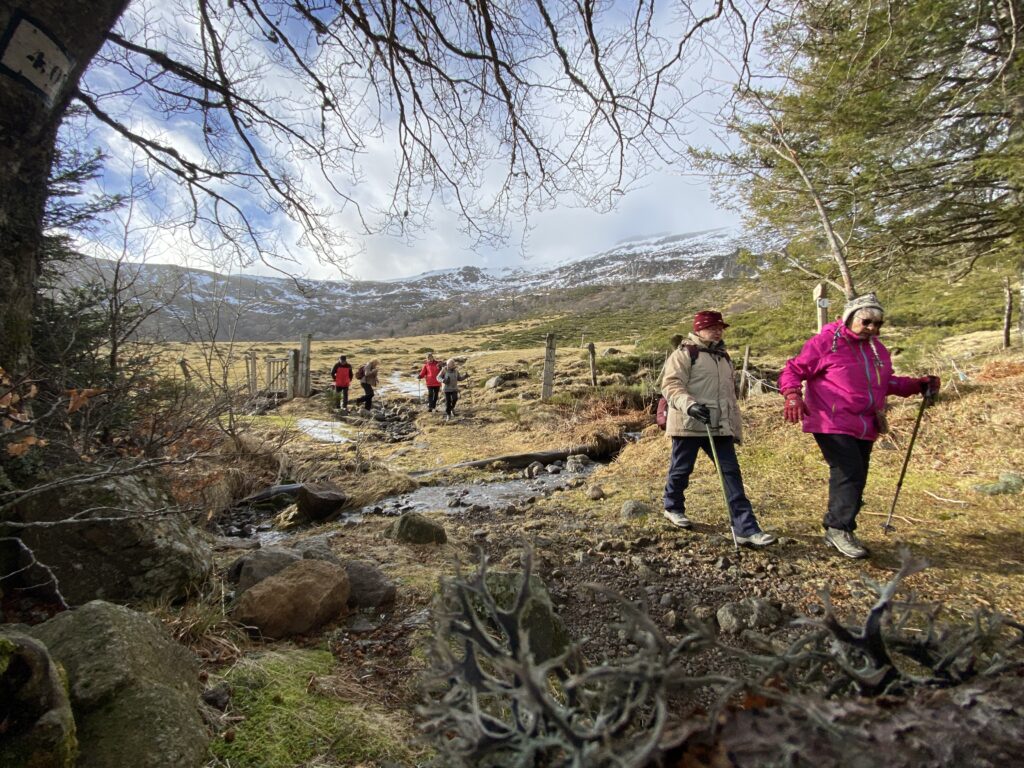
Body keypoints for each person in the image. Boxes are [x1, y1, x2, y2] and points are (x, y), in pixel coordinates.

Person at [778, 293, 940, 559]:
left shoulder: (877, 350)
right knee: (849, 471)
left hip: (866, 422)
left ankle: (840, 527)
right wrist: (793, 394)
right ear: (851, 318)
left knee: (858, 475)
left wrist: (916, 385)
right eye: (866, 322)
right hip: (831, 419)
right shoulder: (825, 343)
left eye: (878, 324)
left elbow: (884, 383)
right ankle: (838, 528)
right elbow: (793, 370)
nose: (872, 329)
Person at [660, 310, 775, 547]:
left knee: (731, 474)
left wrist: (734, 426)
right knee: (681, 469)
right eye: (713, 327)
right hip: (689, 423)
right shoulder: (684, 354)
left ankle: (746, 528)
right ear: (699, 329)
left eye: (721, 327)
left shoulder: (723, 356)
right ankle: (672, 507)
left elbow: (729, 397)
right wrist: (689, 405)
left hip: (719, 426)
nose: (718, 330)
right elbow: (671, 386)